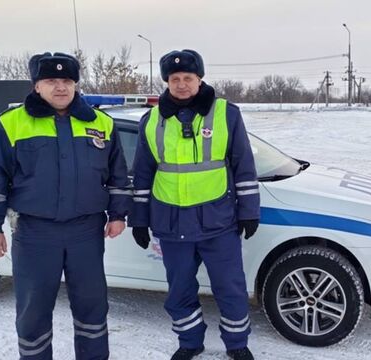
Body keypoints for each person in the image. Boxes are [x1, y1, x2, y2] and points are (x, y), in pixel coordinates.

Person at [0, 52, 132, 360]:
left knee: (93, 307)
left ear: (75, 84)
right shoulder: (11, 124)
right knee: (33, 311)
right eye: (51, 81)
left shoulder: (101, 123)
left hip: (86, 232)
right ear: (36, 86)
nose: (60, 87)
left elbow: (118, 175)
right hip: (35, 233)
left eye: (67, 80)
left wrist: (119, 214)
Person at [129, 49, 259, 360]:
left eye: (188, 78)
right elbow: (143, 173)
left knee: (231, 290)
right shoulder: (151, 120)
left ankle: (237, 345)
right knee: (179, 292)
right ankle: (189, 343)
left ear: (199, 79)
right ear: (167, 82)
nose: (182, 84)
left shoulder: (226, 113)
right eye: (175, 79)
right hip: (171, 224)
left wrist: (249, 211)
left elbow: (244, 165)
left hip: (219, 222)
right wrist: (139, 219)